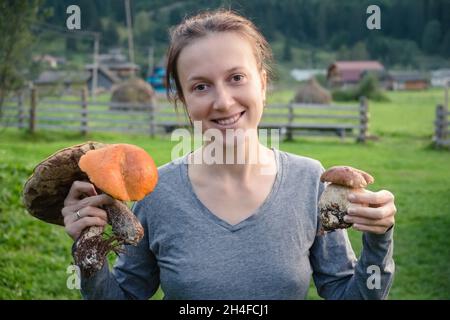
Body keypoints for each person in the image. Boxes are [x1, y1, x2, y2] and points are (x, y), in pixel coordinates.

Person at [62, 9, 396, 300]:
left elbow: (346, 293)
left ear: (262, 85)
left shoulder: (310, 181)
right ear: (183, 101)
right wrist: (88, 246)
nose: (222, 101)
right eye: (200, 86)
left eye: (236, 78)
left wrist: (379, 241)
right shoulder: (156, 193)